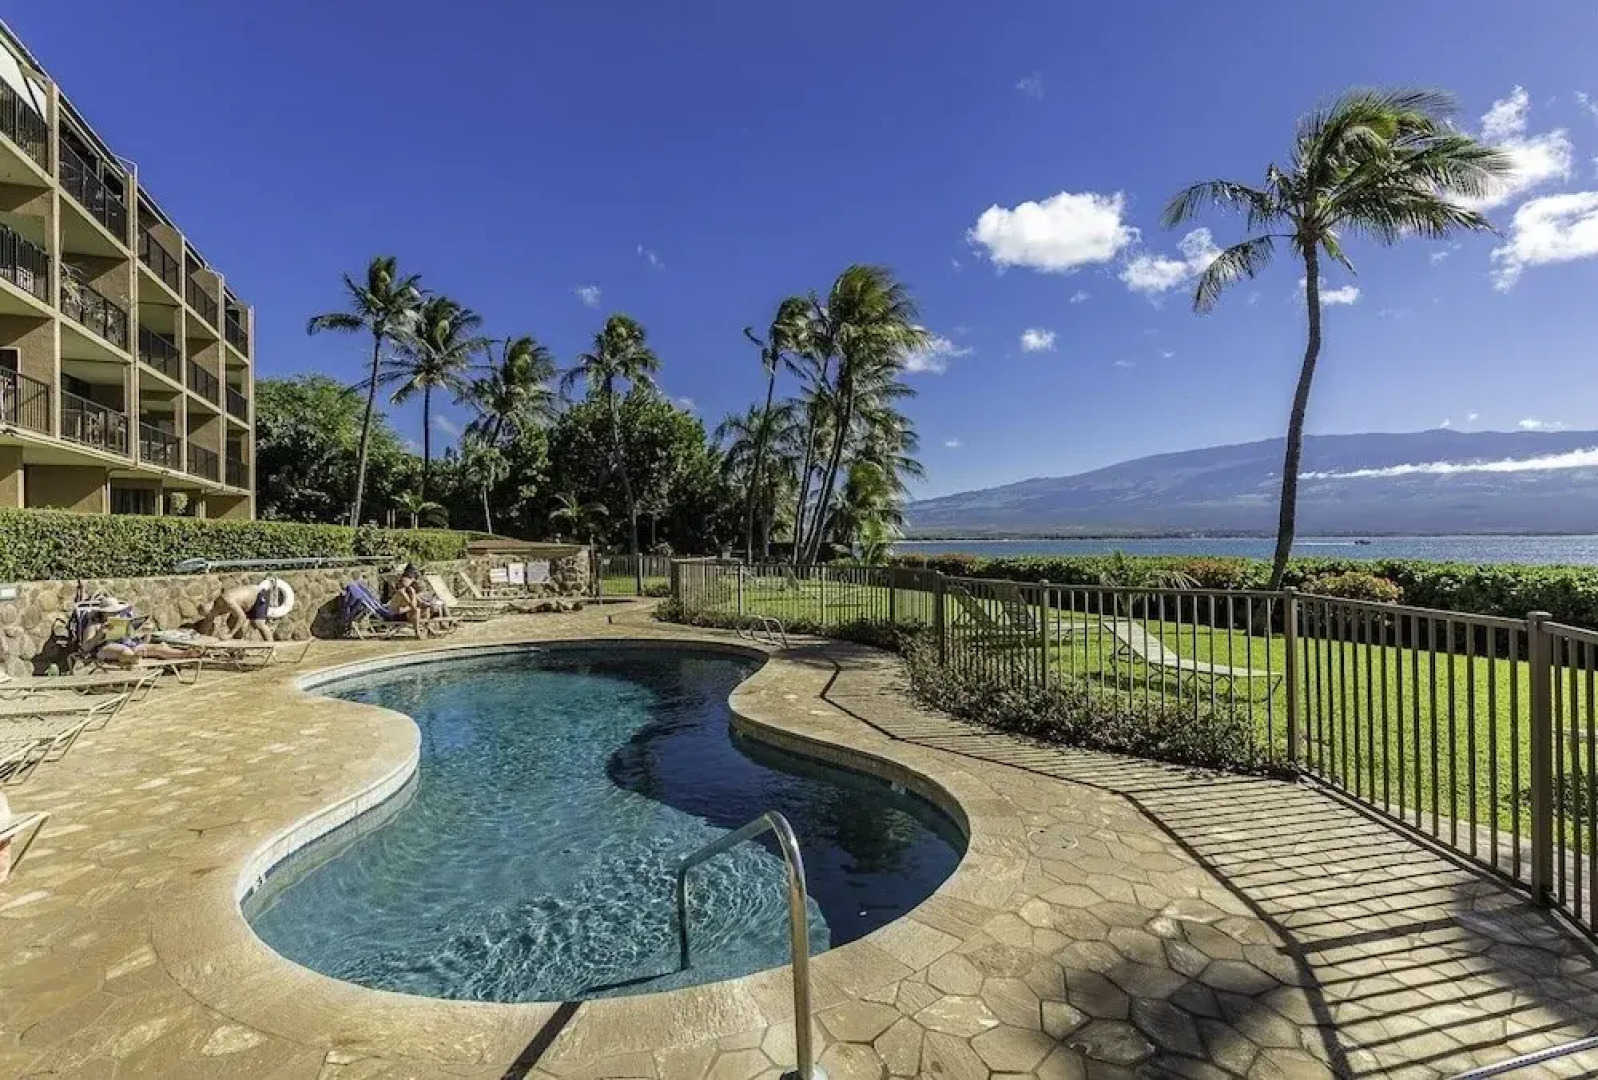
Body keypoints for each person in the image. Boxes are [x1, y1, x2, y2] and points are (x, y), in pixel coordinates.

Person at [203, 582, 278, 641]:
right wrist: (202, 636)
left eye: (208, 615)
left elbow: (242, 617)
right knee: (230, 622)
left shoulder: (227, 601)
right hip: (246, 603)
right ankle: (239, 646)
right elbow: (209, 621)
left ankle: (271, 647)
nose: (210, 617)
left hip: (258, 595)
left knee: (258, 623)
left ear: (211, 610)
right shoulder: (216, 606)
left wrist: (230, 634)